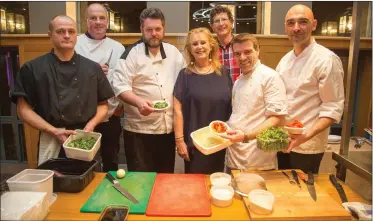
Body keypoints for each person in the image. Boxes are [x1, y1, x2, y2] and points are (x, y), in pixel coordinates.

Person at [11, 15, 114, 165]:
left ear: (76, 36)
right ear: (50, 35)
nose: (66, 36)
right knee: (53, 183)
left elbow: (103, 105)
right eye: (60, 31)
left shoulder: (92, 68)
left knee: (90, 183)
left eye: (71, 31)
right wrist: (53, 131)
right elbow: (23, 109)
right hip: (50, 136)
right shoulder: (33, 68)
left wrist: (91, 125)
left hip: (85, 137)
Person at [112, 8, 185, 173]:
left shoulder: (174, 53)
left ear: (163, 29)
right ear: (141, 30)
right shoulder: (130, 54)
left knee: (165, 176)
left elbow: (185, 78)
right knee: (140, 179)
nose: (154, 34)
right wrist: (138, 102)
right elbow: (120, 86)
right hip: (139, 131)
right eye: (149, 30)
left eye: (158, 29)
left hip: (167, 129)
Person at [276, 4, 344, 174]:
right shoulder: (285, 61)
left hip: (308, 145)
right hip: (283, 141)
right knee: (285, 188)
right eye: (291, 23)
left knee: (304, 193)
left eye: (302, 22)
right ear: (286, 28)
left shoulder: (326, 59)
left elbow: (333, 108)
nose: (296, 28)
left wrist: (304, 136)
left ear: (314, 25)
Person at [220, 33, 288, 172]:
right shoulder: (238, 81)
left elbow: (276, 117)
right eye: (237, 54)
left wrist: (246, 136)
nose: (242, 58)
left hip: (257, 158)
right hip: (234, 152)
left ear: (258, 50)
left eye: (247, 52)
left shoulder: (270, 77)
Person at [173, 28, 233, 174]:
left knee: (219, 183)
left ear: (211, 45)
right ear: (189, 49)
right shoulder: (184, 75)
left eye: (203, 42)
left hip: (221, 141)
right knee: (195, 186)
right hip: (195, 144)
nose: (199, 47)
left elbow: (232, 105)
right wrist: (179, 141)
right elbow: (177, 110)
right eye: (194, 44)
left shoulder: (224, 72)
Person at [75, 3, 125, 172]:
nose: (98, 22)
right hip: (81, 116)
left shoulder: (118, 48)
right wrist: (90, 70)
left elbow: (123, 79)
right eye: (93, 18)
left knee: (111, 160)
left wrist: (120, 106)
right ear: (86, 20)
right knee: (83, 162)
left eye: (101, 18)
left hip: (110, 116)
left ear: (108, 21)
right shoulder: (75, 44)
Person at [210, 5, 240, 82]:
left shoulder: (241, 46)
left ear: (231, 22)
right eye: (217, 21)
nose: (221, 24)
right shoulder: (209, 50)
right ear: (212, 26)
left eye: (224, 19)